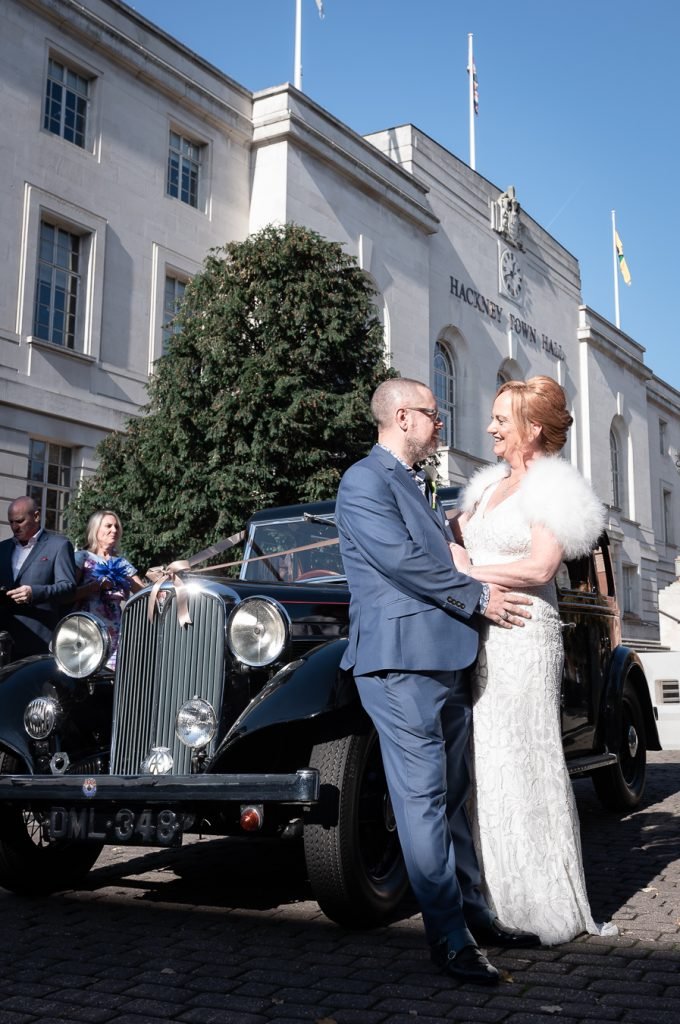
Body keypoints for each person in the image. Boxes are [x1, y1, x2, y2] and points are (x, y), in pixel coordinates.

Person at [335, 377, 538, 988]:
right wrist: (477, 595)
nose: (441, 422)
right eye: (433, 413)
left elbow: (431, 549)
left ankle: (474, 916)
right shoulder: (363, 479)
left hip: (443, 660)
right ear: (403, 417)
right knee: (422, 803)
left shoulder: (409, 481)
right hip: (399, 666)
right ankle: (449, 939)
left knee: (451, 796)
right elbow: (404, 562)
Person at [451, 376, 617, 945]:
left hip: (523, 636)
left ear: (533, 429)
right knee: (484, 766)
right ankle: (490, 898)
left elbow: (541, 569)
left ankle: (540, 902)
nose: (492, 426)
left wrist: (463, 573)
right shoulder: (487, 486)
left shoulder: (552, 488)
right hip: (479, 635)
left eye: (502, 418)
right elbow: (455, 541)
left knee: (522, 759)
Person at [0, 496, 77, 660]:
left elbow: (68, 587)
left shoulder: (58, 545)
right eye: (11, 522)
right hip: (4, 639)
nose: (14, 527)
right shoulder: (3, 548)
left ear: (36, 516)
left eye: (19, 521)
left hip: (38, 641)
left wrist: (34, 592)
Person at [74, 510, 145, 670]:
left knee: (110, 681)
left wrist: (162, 581)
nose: (114, 530)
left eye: (116, 527)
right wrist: (96, 586)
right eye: (108, 526)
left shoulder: (122, 563)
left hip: (115, 634)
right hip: (86, 631)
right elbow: (67, 594)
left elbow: (144, 593)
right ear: (96, 529)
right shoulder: (82, 558)